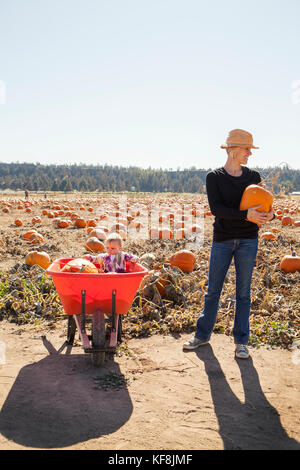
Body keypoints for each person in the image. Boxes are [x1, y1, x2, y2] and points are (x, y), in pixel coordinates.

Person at [183, 129, 275, 359]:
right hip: (223, 239)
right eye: (247, 150)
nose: (249, 155)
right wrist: (246, 216)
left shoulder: (253, 177)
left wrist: (269, 216)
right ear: (233, 150)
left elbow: (264, 207)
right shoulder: (214, 177)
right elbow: (217, 210)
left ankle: (241, 342)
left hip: (248, 240)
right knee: (213, 290)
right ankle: (202, 336)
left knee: (243, 293)